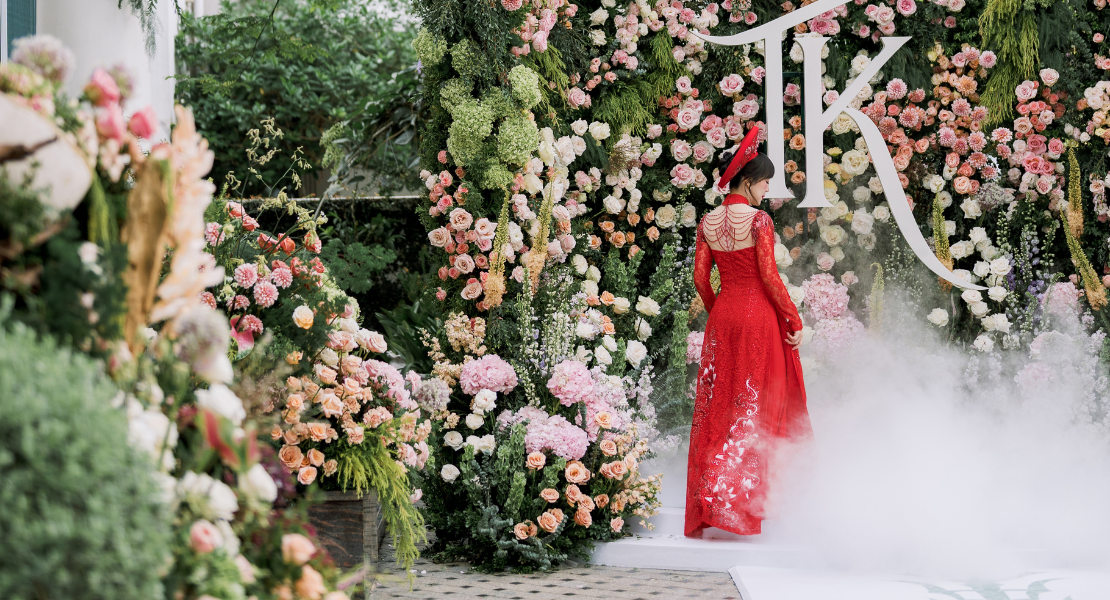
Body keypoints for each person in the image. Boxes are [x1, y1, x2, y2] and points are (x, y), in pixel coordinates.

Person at [684, 126, 813, 538]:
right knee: (754, 403)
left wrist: (718, 311)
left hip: (723, 317)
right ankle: (746, 502)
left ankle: (713, 500)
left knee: (718, 404)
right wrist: (794, 320)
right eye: (765, 181)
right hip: (758, 317)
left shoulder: (707, 222)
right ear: (748, 180)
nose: (767, 189)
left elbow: (700, 279)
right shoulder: (759, 221)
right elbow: (770, 277)